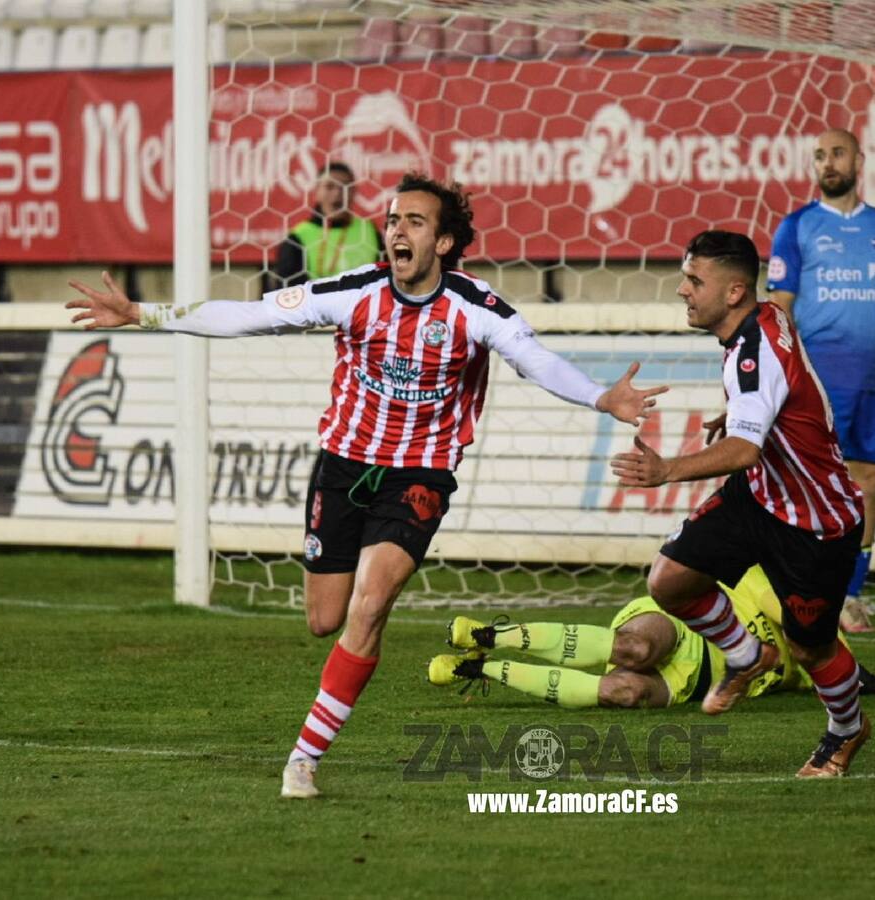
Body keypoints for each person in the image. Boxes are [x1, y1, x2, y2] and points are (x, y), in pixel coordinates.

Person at [66, 173, 667, 800]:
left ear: (444, 241)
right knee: (326, 619)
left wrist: (601, 396)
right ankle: (342, 671)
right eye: (393, 220)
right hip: (345, 466)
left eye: (414, 221)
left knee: (370, 605)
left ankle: (303, 759)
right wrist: (144, 314)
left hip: (420, 474)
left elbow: (534, 359)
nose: (397, 230)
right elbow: (251, 315)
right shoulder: (354, 293)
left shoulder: (474, 306)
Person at [610, 229, 872, 779]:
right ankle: (749, 655)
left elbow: (746, 449)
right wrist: (742, 408)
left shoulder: (752, 353)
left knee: (813, 651)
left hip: (814, 522)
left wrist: (666, 471)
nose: (683, 290)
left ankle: (847, 729)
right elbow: (783, 388)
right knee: (669, 581)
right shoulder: (767, 315)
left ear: (733, 293)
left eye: (693, 280)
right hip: (759, 495)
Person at [766, 128, 875, 633]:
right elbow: (778, 309)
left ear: (858, 159)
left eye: (836, 153)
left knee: (869, 482)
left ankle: (851, 595)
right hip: (814, 382)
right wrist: (768, 378)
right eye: (819, 156)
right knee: (801, 482)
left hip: (874, 378)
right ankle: (798, 589)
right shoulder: (796, 228)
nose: (827, 163)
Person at [427, 564, 875, 708]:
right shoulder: (773, 586)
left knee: (625, 689)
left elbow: (828, 672)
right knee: (635, 648)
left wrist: (860, 681)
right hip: (688, 623)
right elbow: (793, 622)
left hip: (694, 684)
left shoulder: (814, 665)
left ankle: (479, 666)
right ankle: (493, 636)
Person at [266, 161, 384, 291]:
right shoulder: (298, 237)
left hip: (363, 309)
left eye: (345, 187)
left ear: (354, 192)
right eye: (329, 186)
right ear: (316, 192)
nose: (337, 193)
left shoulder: (369, 231)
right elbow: (287, 293)